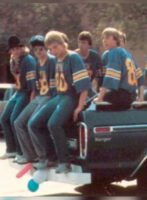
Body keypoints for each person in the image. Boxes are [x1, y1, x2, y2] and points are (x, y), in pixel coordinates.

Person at [28, 31, 91, 173]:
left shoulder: (73, 57)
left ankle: (64, 161)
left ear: (63, 44)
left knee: (53, 124)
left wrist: (79, 107)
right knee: (34, 123)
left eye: (55, 47)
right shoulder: (56, 60)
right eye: (50, 49)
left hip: (71, 96)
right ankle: (51, 157)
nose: (52, 51)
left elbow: (84, 86)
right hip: (59, 96)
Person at [13, 35, 56, 164]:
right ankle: (29, 155)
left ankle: (43, 156)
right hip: (38, 97)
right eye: (36, 50)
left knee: (33, 123)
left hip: (48, 96)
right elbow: (36, 85)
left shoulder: (52, 61)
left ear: (46, 48)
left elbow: (54, 87)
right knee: (18, 122)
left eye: (41, 49)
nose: (38, 52)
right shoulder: (37, 63)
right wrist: (33, 98)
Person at [0, 36, 36, 160]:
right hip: (19, 91)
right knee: (4, 118)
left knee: (14, 119)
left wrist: (31, 99)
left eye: (17, 48)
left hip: (27, 92)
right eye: (13, 49)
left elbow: (32, 83)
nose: (15, 51)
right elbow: (16, 78)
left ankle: (21, 152)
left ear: (21, 48)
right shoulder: (12, 60)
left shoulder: (28, 60)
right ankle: (11, 149)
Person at [93, 27, 144, 109]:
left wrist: (100, 98)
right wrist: (141, 97)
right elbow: (140, 76)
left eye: (107, 38)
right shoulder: (127, 54)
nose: (104, 41)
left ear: (115, 40)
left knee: (95, 102)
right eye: (103, 38)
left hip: (121, 96)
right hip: (132, 95)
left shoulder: (114, 52)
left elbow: (110, 77)